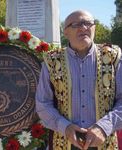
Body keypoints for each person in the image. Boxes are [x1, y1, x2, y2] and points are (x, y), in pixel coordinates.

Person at [36, 10, 122, 150]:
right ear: (65, 32)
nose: (83, 28)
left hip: (104, 141)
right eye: (76, 24)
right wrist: (65, 127)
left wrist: (104, 126)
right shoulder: (51, 61)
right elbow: (43, 103)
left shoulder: (113, 58)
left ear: (94, 27)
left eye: (88, 23)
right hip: (64, 141)